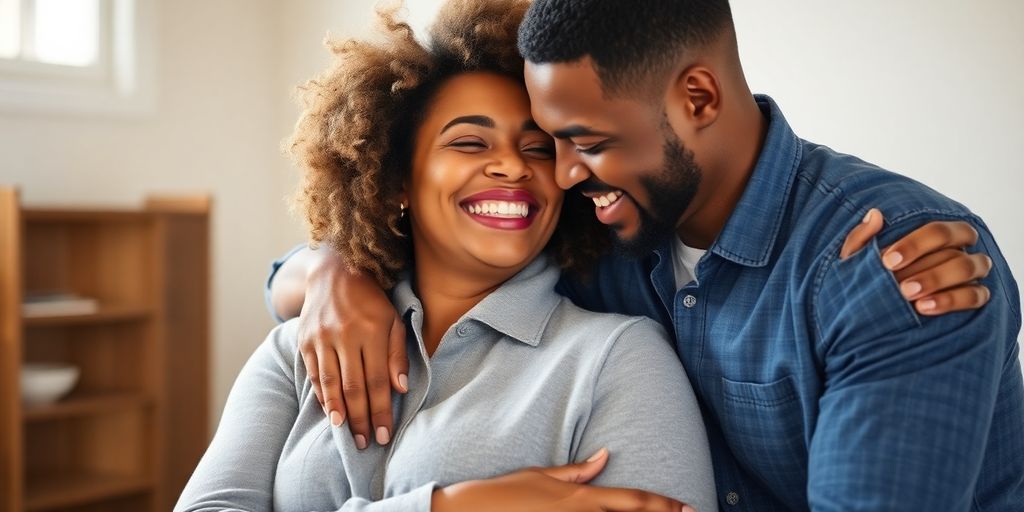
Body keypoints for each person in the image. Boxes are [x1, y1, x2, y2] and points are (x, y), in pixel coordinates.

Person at [269, 0, 1023, 510]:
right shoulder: (613, 230)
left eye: (586, 143)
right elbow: (428, 247)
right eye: (553, 142)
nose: (558, 176)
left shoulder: (889, 271)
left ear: (697, 98)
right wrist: (330, 271)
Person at [177, 1, 717, 511]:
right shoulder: (295, 350)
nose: (512, 166)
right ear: (395, 181)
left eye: (536, 148)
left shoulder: (616, 360)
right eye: (469, 143)